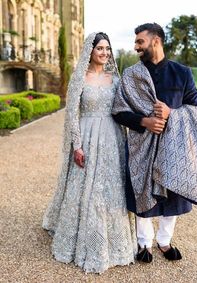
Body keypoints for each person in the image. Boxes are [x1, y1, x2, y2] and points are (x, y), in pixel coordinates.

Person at [112, 23, 197, 263]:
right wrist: (144, 121)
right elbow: (118, 111)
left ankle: (164, 240)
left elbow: (195, 109)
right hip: (141, 145)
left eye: (140, 42)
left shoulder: (182, 72)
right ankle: (143, 243)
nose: (136, 47)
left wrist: (170, 114)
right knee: (142, 189)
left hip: (174, 144)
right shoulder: (131, 74)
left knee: (173, 193)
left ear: (155, 41)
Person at [42, 32, 136, 273]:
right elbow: (72, 113)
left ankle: (114, 241)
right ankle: (81, 239)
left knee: (110, 187)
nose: (104, 53)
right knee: (87, 189)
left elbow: (126, 108)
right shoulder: (79, 79)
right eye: (100, 49)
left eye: (107, 49)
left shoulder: (115, 79)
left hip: (113, 138)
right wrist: (77, 145)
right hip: (87, 136)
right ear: (90, 51)